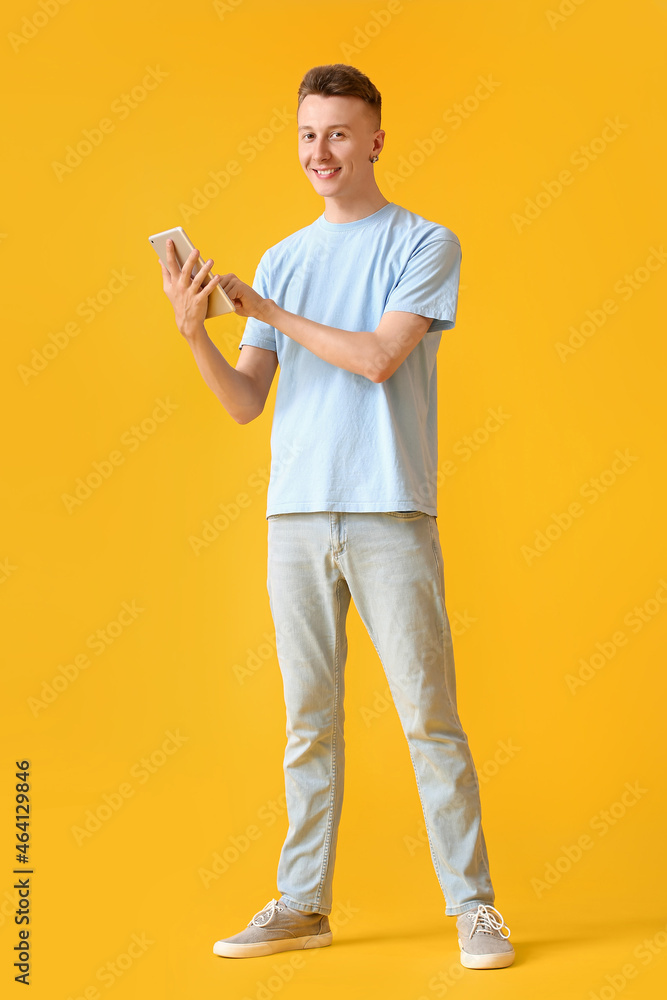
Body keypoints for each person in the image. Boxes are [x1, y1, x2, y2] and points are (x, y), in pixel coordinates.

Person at [157, 63, 515, 971]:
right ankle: (302, 903)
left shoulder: (423, 242)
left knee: (429, 717)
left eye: (339, 134)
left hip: (390, 509)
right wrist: (195, 328)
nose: (321, 152)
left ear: (376, 138)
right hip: (296, 520)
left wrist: (267, 308)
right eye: (309, 135)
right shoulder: (283, 255)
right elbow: (246, 403)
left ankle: (473, 906)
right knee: (308, 721)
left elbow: (377, 359)